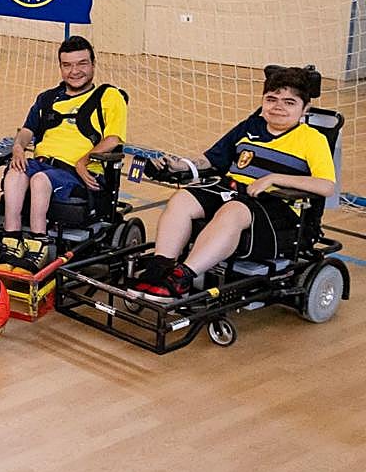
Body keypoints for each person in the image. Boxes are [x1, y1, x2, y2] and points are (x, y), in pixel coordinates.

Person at [133, 67, 335, 301]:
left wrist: (273, 178)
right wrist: (181, 166)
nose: (278, 106)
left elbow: (326, 186)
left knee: (234, 210)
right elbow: (212, 159)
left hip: (277, 206)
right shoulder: (249, 127)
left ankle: (182, 277)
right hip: (234, 191)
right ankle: (160, 268)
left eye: (289, 102)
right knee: (183, 199)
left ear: (305, 109)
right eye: (271, 99)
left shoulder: (312, 139)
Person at [0, 36, 127, 272]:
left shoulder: (109, 97)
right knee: (15, 173)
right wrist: (18, 147)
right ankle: (11, 238)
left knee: (39, 180)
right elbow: (27, 130)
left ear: (93, 64)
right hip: (42, 162)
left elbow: (113, 139)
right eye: (67, 65)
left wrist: (84, 161)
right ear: (60, 67)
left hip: (77, 172)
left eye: (82, 64)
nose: (74, 71)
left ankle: (39, 244)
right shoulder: (47, 98)